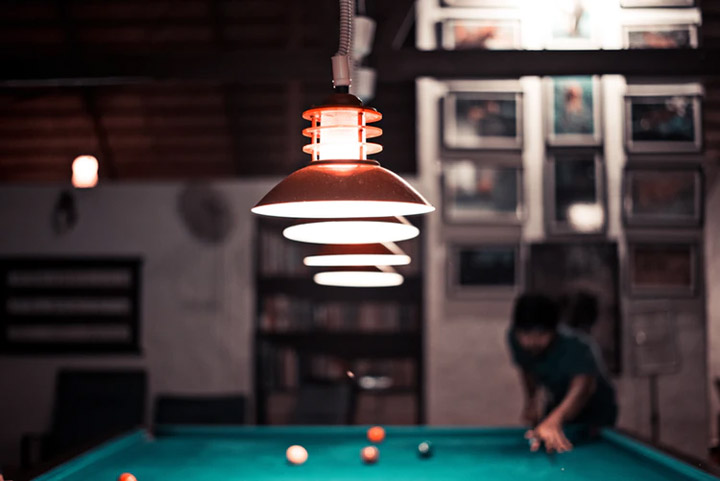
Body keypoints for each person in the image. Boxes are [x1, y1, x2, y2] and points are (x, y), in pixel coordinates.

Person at [508, 293, 617, 453]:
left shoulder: (578, 346)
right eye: (525, 334)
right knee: (548, 439)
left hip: (596, 409)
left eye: (540, 334)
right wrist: (531, 401)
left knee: (590, 453)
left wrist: (555, 419)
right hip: (557, 401)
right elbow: (527, 369)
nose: (532, 341)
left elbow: (582, 390)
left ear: (554, 331)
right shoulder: (514, 339)